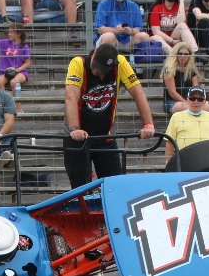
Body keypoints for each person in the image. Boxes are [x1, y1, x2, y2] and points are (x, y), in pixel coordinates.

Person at [63, 44, 156, 189]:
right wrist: (75, 129)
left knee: (115, 185)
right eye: (97, 68)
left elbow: (138, 92)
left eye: (103, 72)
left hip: (105, 135)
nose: (98, 74)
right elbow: (70, 97)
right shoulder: (78, 63)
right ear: (94, 54)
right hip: (77, 136)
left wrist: (148, 124)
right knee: (80, 187)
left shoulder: (121, 63)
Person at [164, 86, 209, 157]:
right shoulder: (176, 117)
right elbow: (170, 141)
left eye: (200, 99)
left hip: (208, 158)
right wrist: (168, 161)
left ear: (204, 101)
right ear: (187, 100)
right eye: (192, 99)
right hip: (185, 159)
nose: (196, 102)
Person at [161, 42, 209, 114]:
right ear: (175, 54)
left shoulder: (192, 71)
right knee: (189, 108)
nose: (183, 56)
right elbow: (172, 93)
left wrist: (195, 102)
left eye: (186, 54)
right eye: (180, 54)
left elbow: (195, 90)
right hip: (172, 102)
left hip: (190, 101)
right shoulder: (169, 70)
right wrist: (188, 103)